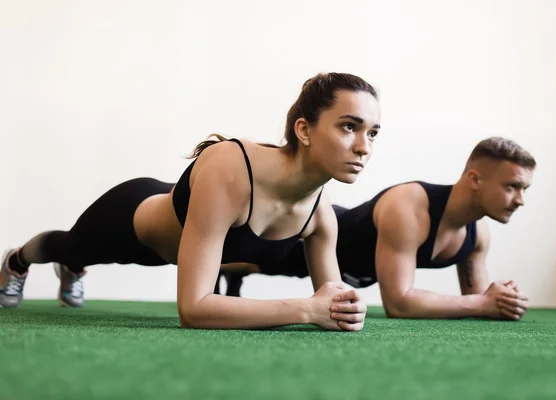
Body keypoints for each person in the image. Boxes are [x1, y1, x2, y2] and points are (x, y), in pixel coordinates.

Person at [0, 72, 382, 331]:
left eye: (373, 133)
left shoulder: (320, 216)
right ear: (304, 129)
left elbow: (332, 303)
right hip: (132, 219)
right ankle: (17, 260)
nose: (364, 147)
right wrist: (305, 309)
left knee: (72, 252)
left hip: (186, 236)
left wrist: (347, 310)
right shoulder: (230, 168)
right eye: (349, 126)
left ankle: (71, 267)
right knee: (65, 246)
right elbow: (195, 308)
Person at [222, 137, 535, 321]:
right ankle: (233, 267)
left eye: (524, 189)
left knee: (259, 262)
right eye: (512, 187)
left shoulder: (478, 236)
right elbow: (399, 303)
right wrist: (483, 302)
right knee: (246, 253)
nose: (520, 200)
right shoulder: (410, 205)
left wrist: (503, 300)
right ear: (475, 180)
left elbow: (478, 302)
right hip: (315, 236)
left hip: (354, 268)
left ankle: (237, 270)